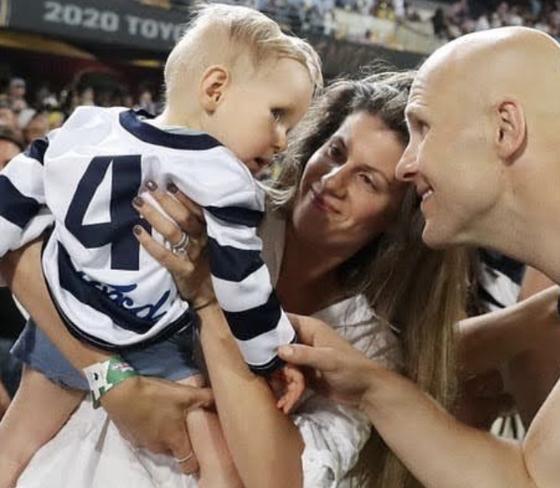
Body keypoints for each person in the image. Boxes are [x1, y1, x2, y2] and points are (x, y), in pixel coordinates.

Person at [8, 71, 472, 487]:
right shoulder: (220, 199)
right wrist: (116, 384)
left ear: (397, 220)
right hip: (66, 461)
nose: (333, 180)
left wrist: (209, 300)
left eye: (368, 180)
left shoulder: (364, 344)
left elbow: (278, 480)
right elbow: (22, 258)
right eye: (336, 152)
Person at [277, 27, 560, 486]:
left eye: (423, 128)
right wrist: (372, 386)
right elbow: (537, 480)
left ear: (504, 129)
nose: (405, 166)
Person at [0, 4, 321, 485]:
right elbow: (241, 288)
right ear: (215, 89)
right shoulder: (225, 179)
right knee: (206, 439)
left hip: (65, 319)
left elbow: (16, 193)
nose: (280, 141)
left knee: (13, 444)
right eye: (277, 116)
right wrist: (271, 355)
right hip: (150, 336)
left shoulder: (88, 125)